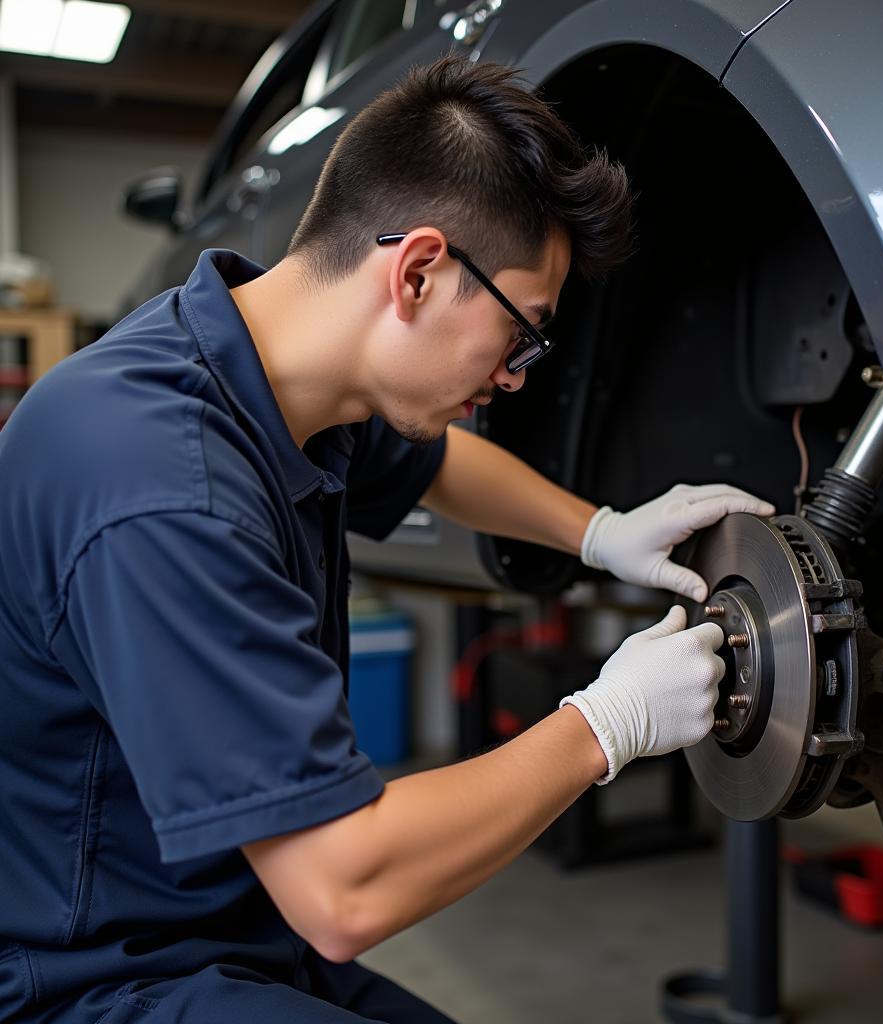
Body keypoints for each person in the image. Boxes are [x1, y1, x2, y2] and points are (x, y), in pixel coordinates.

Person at [0, 56, 773, 1023]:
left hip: (225, 929)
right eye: (523, 333)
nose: (517, 376)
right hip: (87, 978)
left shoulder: (266, 371)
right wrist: (603, 726)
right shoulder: (158, 485)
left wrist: (603, 532)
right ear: (417, 270)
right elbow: (343, 890)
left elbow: (437, 465)